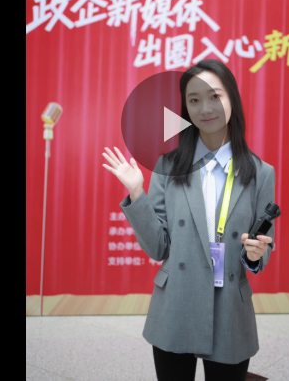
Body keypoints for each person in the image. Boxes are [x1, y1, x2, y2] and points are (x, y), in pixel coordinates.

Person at [102, 60, 276, 381]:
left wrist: (256, 254)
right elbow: (158, 247)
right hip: (176, 304)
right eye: (194, 99)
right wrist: (137, 193)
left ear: (232, 99)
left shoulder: (261, 173)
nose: (205, 108)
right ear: (185, 108)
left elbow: (262, 244)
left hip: (230, 308)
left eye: (215, 96)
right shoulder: (167, 166)